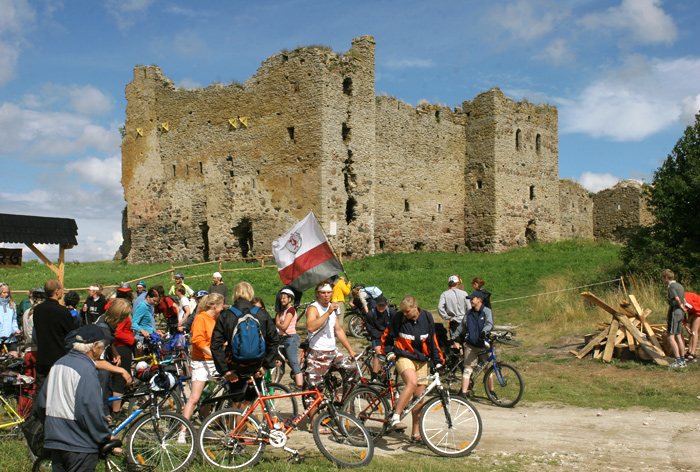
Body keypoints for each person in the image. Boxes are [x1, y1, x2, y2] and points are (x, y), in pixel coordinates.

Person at [36, 324, 114, 472]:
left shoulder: (58, 364)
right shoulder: (86, 369)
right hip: (80, 444)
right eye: (103, 346)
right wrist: (105, 435)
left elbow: (42, 404)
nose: (103, 350)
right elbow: (90, 409)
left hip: (56, 441)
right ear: (94, 346)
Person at [381, 295, 443, 441]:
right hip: (404, 356)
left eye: (407, 311)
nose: (405, 314)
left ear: (415, 307)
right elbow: (387, 337)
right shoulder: (399, 317)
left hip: (422, 360)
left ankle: (416, 433)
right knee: (412, 382)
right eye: (403, 312)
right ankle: (396, 417)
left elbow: (432, 340)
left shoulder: (427, 317)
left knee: (419, 399)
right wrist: (388, 352)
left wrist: (438, 360)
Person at [211, 282, 280, 409]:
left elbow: (215, 345)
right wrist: (265, 365)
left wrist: (224, 370)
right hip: (257, 365)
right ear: (251, 294)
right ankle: (245, 419)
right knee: (249, 401)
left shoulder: (227, 315)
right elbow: (274, 340)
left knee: (236, 400)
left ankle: (235, 421)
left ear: (235, 294)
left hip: (235, 365)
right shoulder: (261, 313)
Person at [180, 293, 225, 442]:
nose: (223, 308)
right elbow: (198, 340)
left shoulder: (215, 319)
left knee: (208, 397)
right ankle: (182, 431)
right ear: (214, 306)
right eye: (221, 305)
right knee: (194, 398)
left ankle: (205, 428)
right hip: (201, 362)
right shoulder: (201, 318)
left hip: (213, 363)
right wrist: (212, 354)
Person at [304, 280, 358, 404]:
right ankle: (314, 415)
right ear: (317, 294)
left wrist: (351, 350)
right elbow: (311, 327)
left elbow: (338, 330)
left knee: (352, 370)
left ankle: (344, 404)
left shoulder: (333, 308)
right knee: (314, 390)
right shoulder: (313, 308)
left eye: (329, 292)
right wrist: (328, 312)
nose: (326, 295)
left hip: (332, 351)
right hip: (317, 352)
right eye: (323, 293)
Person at [33, 279, 75, 395]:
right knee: (58, 392)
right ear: (56, 291)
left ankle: (37, 408)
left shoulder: (37, 310)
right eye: (61, 289)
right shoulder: (62, 311)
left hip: (42, 356)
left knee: (40, 392)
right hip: (59, 357)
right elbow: (72, 333)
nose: (62, 291)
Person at [97, 298, 135, 421]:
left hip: (102, 359)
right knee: (105, 379)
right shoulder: (104, 331)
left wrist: (114, 351)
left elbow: (110, 340)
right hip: (96, 370)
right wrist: (122, 371)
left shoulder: (105, 319)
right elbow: (97, 361)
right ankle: (104, 415)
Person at [451, 290, 494, 397]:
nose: (470, 301)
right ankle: (464, 394)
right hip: (471, 346)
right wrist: (455, 335)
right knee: (467, 370)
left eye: (472, 299)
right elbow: (462, 326)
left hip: (484, 346)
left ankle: (492, 392)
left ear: (479, 300)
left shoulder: (486, 311)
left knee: (488, 370)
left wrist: (484, 332)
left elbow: (489, 324)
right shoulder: (469, 313)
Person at [276, 288, 303, 389]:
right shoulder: (283, 311)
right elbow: (278, 321)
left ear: (290, 299)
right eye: (281, 298)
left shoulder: (291, 310)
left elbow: (284, 326)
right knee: (279, 362)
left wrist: (278, 323)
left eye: (284, 298)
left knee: (293, 362)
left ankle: (300, 385)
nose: (282, 300)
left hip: (290, 338)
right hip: (283, 339)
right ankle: (275, 384)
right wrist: (278, 322)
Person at [365, 295, 395, 380]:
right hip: (377, 336)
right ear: (376, 305)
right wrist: (380, 335)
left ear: (386, 306)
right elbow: (370, 329)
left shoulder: (392, 313)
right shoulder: (371, 314)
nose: (381, 307)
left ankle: (384, 373)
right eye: (379, 305)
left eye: (383, 305)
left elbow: (396, 325)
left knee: (391, 355)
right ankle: (374, 377)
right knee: (379, 353)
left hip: (388, 336)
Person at [662, 269, 687, 368]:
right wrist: (683, 307)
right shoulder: (680, 286)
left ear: (666, 277)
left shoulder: (671, 286)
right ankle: (683, 360)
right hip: (681, 312)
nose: (663, 280)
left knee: (670, 336)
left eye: (663, 278)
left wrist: (679, 306)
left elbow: (676, 298)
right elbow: (684, 299)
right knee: (679, 335)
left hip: (675, 311)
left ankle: (678, 361)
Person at [23, 288, 46, 382]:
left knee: (27, 384)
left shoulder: (26, 312)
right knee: (38, 383)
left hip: (28, 350)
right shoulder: (41, 313)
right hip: (38, 352)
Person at [0, 282, 20, 356]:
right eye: (4, 293)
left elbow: (14, 320)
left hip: (10, 337)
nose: (6, 295)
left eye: (7, 293)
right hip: (1, 337)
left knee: (14, 356)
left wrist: (16, 329)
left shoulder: (11, 305)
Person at [683, 292, 700, 363]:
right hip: (692, 311)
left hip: (698, 310)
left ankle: (693, 353)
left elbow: (697, 310)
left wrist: (690, 319)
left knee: (694, 331)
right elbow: (682, 313)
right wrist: (686, 324)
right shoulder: (677, 302)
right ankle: (689, 351)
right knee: (690, 331)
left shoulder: (688, 302)